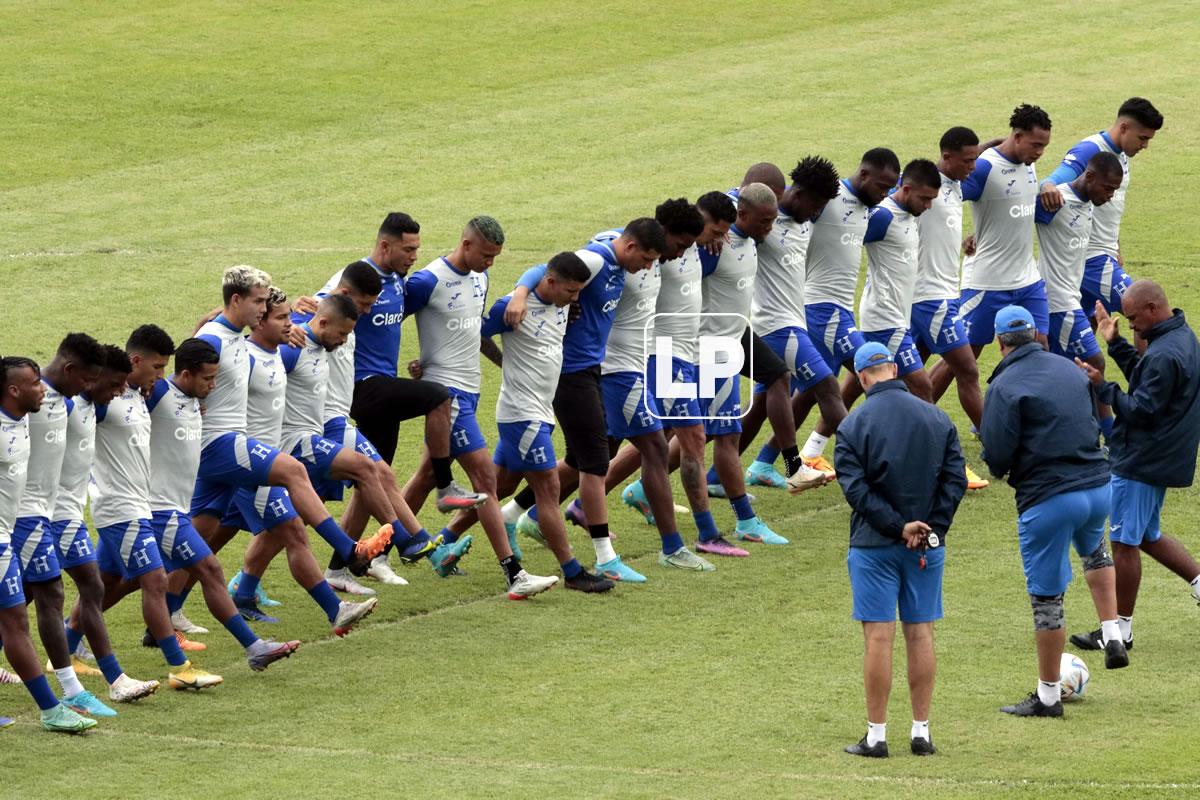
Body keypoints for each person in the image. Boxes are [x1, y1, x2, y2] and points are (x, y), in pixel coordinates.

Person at [190, 266, 391, 579]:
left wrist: (287, 322)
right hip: (223, 447)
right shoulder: (234, 344)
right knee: (293, 503)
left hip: (241, 451)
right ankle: (357, 555)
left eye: (286, 316)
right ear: (239, 301)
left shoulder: (252, 346)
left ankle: (174, 613)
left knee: (199, 546)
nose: (290, 322)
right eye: (275, 313)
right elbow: (190, 362)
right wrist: (189, 403)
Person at [399, 216, 559, 597]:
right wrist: (406, 378)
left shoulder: (479, 278)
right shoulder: (428, 281)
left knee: (425, 475)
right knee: (485, 481)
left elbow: (473, 333)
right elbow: (386, 322)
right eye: (486, 255)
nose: (490, 264)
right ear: (466, 244)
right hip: (447, 397)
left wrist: (502, 361)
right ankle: (514, 574)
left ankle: (379, 551)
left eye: (496, 258)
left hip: (470, 391)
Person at [979, 306, 1125, 720]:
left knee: (1047, 600)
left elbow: (996, 453)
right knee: (1095, 551)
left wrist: (1004, 465)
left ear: (999, 343)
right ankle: (1112, 633)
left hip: (1049, 498)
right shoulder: (1070, 369)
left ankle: (1047, 697)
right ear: (1037, 334)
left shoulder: (1005, 386)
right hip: (1098, 486)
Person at [501, 219, 666, 581]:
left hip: (590, 371)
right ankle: (605, 557)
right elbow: (546, 271)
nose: (649, 267)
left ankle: (504, 518)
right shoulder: (595, 259)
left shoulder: (618, 262)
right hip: (572, 376)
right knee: (595, 464)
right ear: (631, 246)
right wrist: (518, 294)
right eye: (648, 259)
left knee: (570, 462)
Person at [834, 343, 966, 758]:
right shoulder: (936, 416)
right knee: (921, 632)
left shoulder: (853, 425)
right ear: (893, 369)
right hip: (926, 547)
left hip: (874, 546)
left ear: (861, 377)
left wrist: (897, 526)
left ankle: (876, 736)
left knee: (878, 637)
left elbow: (856, 491)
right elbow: (955, 479)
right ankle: (921, 732)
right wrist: (929, 530)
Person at [141, 338, 300, 672]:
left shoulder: (191, 400)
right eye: (208, 379)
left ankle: (72, 632)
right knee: (209, 569)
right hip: (157, 510)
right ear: (184, 374)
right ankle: (249, 649)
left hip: (171, 510)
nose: (214, 386)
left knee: (114, 583)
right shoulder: (158, 395)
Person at [455, 252, 609, 593]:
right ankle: (572, 571)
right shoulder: (510, 309)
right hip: (521, 414)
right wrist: (503, 360)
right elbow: (471, 335)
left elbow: (542, 269)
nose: (576, 299)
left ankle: (444, 542)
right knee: (548, 489)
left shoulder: (560, 299)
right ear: (552, 284)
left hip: (539, 411)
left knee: (497, 488)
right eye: (571, 291)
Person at [609, 192, 751, 558]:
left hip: (686, 355)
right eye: (713, 231)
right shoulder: (657, 255)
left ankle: (568, 508)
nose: (716, 238)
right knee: (692, 439)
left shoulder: (695, 249)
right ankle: (706, 533)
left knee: (644, 441)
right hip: (661, 354)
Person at [319, 213, 485, 511]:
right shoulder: (355, 277)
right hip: (361, 387)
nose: (414, 257)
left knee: (371, 483)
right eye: (408, 250)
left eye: (417, 249)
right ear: (385, 246)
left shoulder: (397, 280)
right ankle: (445, 486)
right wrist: (299, 309)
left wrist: (422, 361)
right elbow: (322, 307)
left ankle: (355, 559)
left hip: (383, 389)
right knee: (438, 396)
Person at [88, 326, 223, 689]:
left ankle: (70, 652)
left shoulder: (136, 395)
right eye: (159, 368)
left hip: (137, 507)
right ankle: (179, 668)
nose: (161, 377)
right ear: (135, 362)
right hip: (118, 507)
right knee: (154, 580)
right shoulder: (102, 403)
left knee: (98, 587)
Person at [1071, 281, 1200, 652]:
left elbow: (1141, 409)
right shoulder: (1181, 337)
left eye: (1132, 320)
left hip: (1142, 459)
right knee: (1146, 535)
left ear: (1152, 308)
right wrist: (1115, 344)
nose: (1131, 326)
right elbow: (1148, 380)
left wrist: (1102, 387)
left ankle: (1119, 631)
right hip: (1163, 455)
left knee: (1124, 542)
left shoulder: (1163, 353)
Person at [589, 200, 716, 572]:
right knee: (657, 447)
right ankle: (673, 546)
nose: (685, 251)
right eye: (682, 243)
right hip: (617, 370)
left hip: (638, 367)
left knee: (595, 456)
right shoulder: (611, 251)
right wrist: (522, 295)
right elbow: (560, 271)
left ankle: (526, 512)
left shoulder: (657, 260)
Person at [11, 333, 119, 717]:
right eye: (88, 379)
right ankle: (69, 690)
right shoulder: (29, 400)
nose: (90, 388)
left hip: (48, 513)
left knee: (26, 598)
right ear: (70, 369)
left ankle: (74, 688)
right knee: (48, 593)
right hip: (22, 515)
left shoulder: (69, 402)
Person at [735, 157, 849, 489]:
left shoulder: (805, 220)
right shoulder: (762, 221)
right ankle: (862, 459)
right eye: (816, 205)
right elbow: (735, 197)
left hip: (787, 323)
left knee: (759, 408)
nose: (818, 212)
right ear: (796, 195)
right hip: (776, 326)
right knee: (827, 387)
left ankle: (715, 476)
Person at [57, 345, 162, 702]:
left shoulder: (92, 405)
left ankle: (111, 681)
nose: (120, 391)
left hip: (68, 515)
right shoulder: (65, 407)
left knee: (89, 588)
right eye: (115, 384)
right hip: (42, 517)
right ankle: (101, 682)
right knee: (27, 599)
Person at [0, 355, 98, 732]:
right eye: (35, 384)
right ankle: (52, 708)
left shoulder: (24, 417)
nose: (44, 390)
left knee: (13, 620)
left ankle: (54, 707)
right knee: (15, 621)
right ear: (13, 390)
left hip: (7, 536)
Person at [798, 148, 902, 475]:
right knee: (875, 370)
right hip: (820, 309)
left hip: (837, 310)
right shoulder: (828, 198)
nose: (885, 195)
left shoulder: (869, 209)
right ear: (864, 174)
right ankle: (880, 457)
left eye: (891, 189)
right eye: (882, 187)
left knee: (788, 398)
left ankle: (775, 463)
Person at [917, 127, 994, 493]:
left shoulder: (954, 184)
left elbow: (983, 153)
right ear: (946, 158)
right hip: (927, 299)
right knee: (966, 367)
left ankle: (800, 453)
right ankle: (994, 451)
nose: (974, 167)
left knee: (898, 383)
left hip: (939, 296)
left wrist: (1002, 144)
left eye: (976, 159)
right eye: (968, 161)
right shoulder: (919, 186)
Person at [1037, 98, 1164, 318]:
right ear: (1124, 127)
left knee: (1089, 325)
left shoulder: (1121, 154)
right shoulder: (1091, 150)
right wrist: (1047, 184)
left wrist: (1116, 247)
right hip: (1090, 257)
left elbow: (1112, 207)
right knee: (1144, 312)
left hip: (1101, 254)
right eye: (1142, 138)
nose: (1145, 145)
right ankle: (1155, 355)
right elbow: (1054, 183)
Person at [1034, 151, 1125, 438]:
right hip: (1057, 301)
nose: (1110, 196)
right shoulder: (1056, 201)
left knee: (1055, 368)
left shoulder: (1088, 203)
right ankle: (1109, 434)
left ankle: (1068, 429)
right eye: (1108, 188)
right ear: (1089, 176)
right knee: (1094, 362)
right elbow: (1016, 221)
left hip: (1070, 295)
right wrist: (978, 238)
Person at [955, 104, 1053, 352]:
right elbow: (945, 196)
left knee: (1040, 345)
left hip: (1027, 279)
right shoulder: (984, 168)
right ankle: (926, 393)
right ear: (1018, 137)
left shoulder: (1028, 162)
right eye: (1036, 145)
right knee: (965, 357)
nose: (1040, 152)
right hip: (989, 282)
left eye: (1044, 146)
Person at [849, 159, 941, 406]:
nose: (929, 205)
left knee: (847, 393)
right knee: (922, 387)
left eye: (932, 199)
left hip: (896, 316)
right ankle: (933, 442)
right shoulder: (883, 216)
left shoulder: (910, 213)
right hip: (884, 319)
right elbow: (846, 244)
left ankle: (814, 445)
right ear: (907, 190)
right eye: (925, 199)